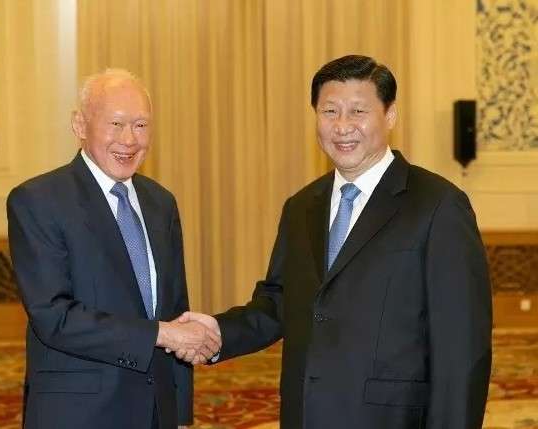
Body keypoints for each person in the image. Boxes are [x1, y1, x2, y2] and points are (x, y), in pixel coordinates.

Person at [178, 55, 493, 428]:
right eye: (330, 111)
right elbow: (280, 302)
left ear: (390, 115)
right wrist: (217, 332)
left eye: (358, 111)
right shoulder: (301, 207)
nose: (343, 126)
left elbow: (462, 346)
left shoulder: (437, 205)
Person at [7, 69, 221, 429]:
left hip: (156, 411)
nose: (129, 139)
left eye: (141, 125)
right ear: (80, 125)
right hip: (79, 413)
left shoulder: (160, 203)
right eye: (116, 124)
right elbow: (54, 316)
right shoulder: (39, 200)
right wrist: (161, 334)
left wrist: (180, 412)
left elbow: (175, 309)